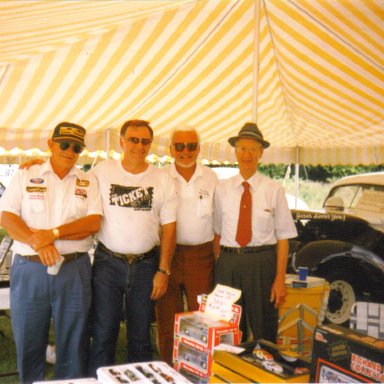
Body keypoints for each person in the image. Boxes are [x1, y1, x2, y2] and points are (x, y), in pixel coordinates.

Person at [0, 122, 102, 383]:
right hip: (30, 267)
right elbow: (8, 217)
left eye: (76, 147)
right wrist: (39, 242)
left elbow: (92, 223)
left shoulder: (88, 179)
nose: (70, 151)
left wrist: (53, 233)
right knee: (28, 337)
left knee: (74, 340)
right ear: (50, 144)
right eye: (64, 144)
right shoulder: (26, 173)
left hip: (74, 269)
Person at [88, 119, 177, 375]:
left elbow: (169, 227)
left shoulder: (162, 178)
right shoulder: (101, 172)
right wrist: (37, 164)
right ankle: (98, 380)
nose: (139, 145)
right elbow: (73, 183)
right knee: (104, 332)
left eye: (145, 141)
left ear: (151, 144)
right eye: (133, 140)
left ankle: (140, 380)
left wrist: (164, 270)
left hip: (146, 265)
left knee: (140, 335)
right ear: (122, 142)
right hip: (107, 263)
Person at [213, 122, 297, 343]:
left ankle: (264, 370)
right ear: (235, 152)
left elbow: (283, 238)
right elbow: (217, 232)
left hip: (262, 263)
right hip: (229, 262)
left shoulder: (274, 190)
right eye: (241, 148)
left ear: (261, 152)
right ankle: (231, 373)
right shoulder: (221, 190)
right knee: (227, 329)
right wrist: (220, 266)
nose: (246, 154)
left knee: (264, 328)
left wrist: (279, 279)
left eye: (252, 149)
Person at [156, 125, 218, 365]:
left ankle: (197, 368)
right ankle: (168, 369)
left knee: (200, 317)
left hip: (201, 256)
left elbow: (219, 222)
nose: (185, 151)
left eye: (191, 146)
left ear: (199, 149)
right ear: (171, 149)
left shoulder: (211, 178)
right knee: (167, 318)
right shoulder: (160, 176)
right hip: (167, 256)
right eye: (179, 146)